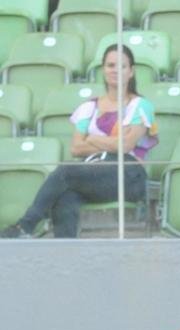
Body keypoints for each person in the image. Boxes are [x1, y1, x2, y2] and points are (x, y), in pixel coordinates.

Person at [1, 44, 156, 239]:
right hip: (94, 171)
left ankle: (26, 226)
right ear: (103, 70)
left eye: (122, 66)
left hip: (129, 173)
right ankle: (65, 252)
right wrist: (112, 141)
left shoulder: (140, 105)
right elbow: (76, 148)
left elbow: (126, 146)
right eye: (110, 65)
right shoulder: (89, 107)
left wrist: (91, 138)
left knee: (65, 172)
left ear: (131, 72)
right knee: (65, 196)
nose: (115, 70)